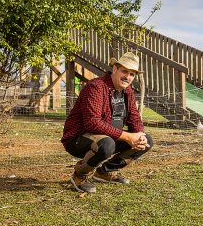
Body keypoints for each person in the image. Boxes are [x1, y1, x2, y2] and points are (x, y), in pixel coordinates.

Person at [61, 52, 152, 193]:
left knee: (147, 141)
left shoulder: (128, 91)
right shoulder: (96, 87)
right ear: (115, 69)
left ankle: (105, 172)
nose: (128, 77)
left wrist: (140, 135)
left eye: (132, 74)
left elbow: (134, 117)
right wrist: (128, 137)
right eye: (124, 71)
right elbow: (92, 123)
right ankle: (79, 176)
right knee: (106, 144)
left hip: (109, 137)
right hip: (78, 139)